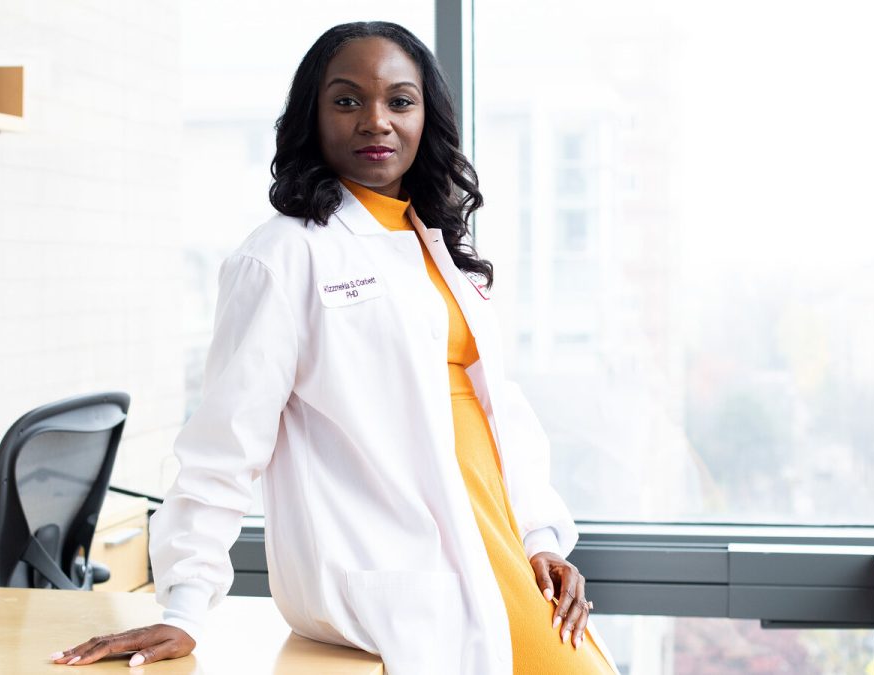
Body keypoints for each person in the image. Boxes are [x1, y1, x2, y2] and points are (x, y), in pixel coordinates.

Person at [52, 21, 617, 674]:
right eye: (348, 101)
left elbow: (502, 419)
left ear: (425, 117)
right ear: (312, 119)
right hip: (405, 577)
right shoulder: (283, 256)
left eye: (399, 101)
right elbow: (223, 447)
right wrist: (184, 606)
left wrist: (541, 539)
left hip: (502, 553)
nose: (376, 121)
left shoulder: (435, 248)